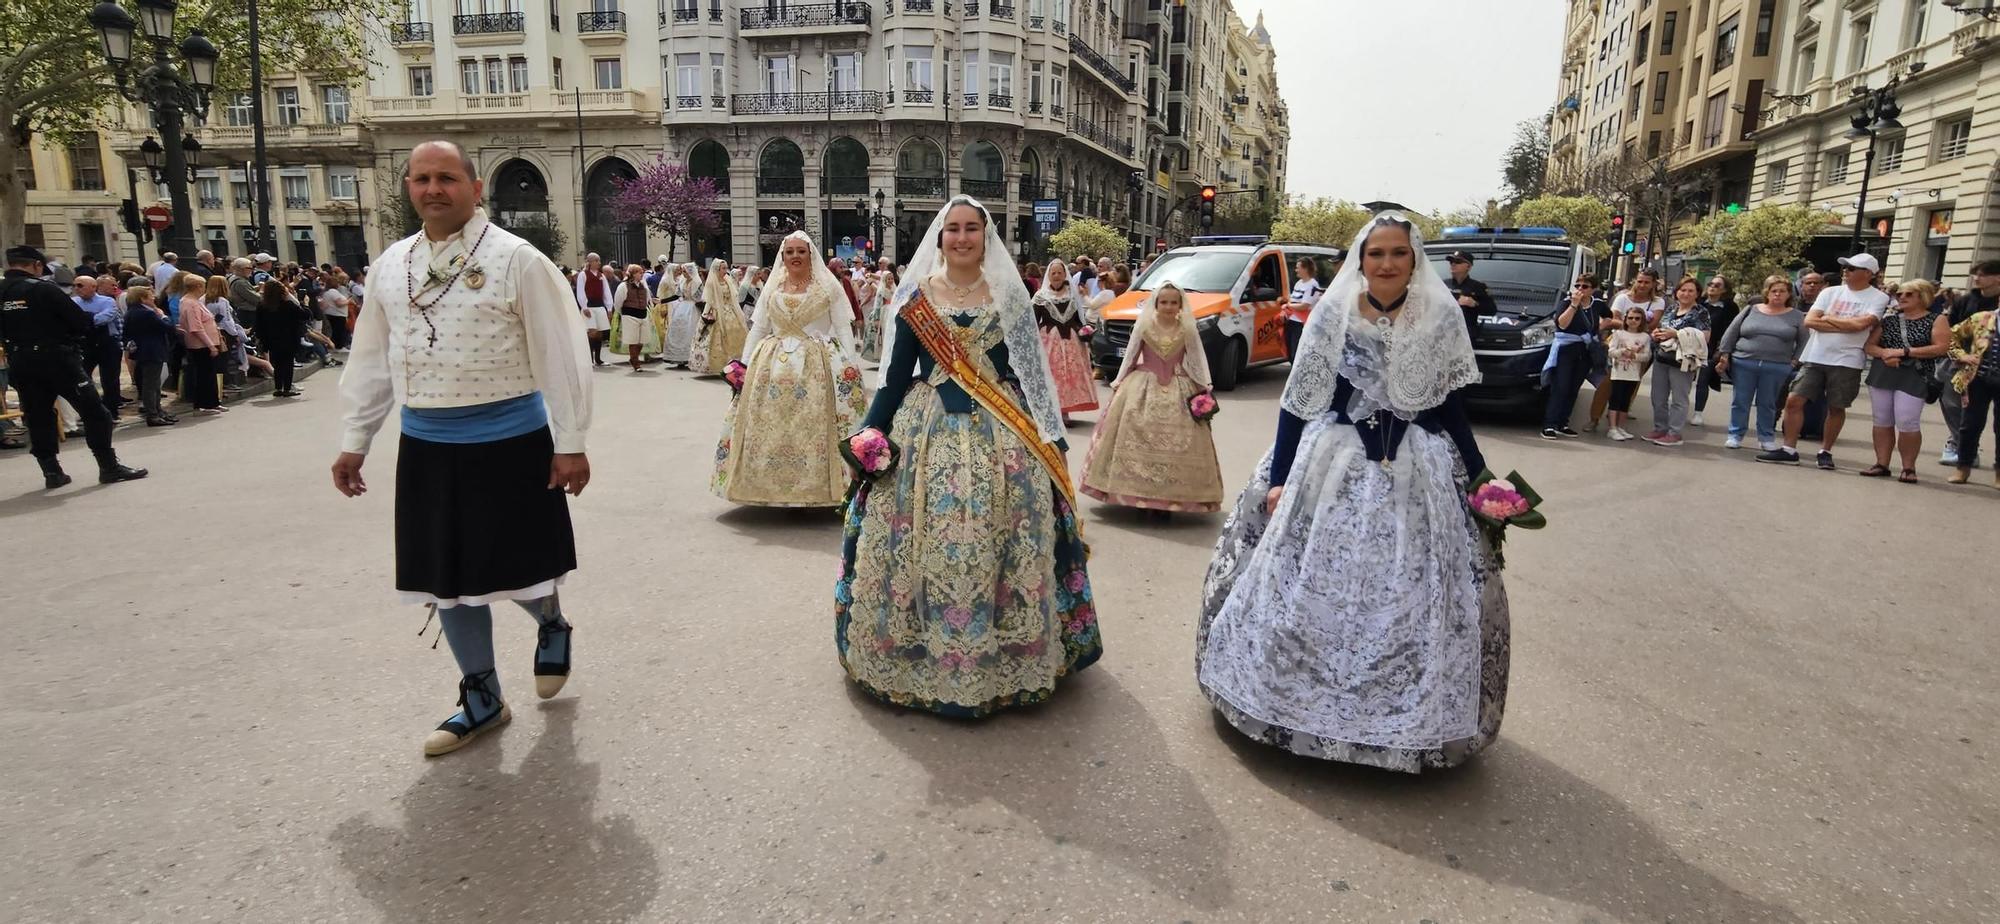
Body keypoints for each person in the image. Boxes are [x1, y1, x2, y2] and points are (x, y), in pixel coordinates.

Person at [1196, 210, 1505, 772]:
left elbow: (1451, 410)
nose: (1386, 264)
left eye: (1398, 253)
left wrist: (1481, 479)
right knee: (1310, 586)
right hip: (1333, 462)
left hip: (1418, 470)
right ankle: (1292, 708)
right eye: (1376, 254)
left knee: (1412, 596)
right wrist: (1280, 478)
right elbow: (1296, 403)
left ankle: (1406, 724)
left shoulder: (1439, 317)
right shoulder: (1332, 314)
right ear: (1360, 261)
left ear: (1415, 261)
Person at [332, 140, 591, 758]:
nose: (432, 189)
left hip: (510, 442)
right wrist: (354, 440)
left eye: (447, 177)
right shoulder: (391, 264)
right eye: (420, 178)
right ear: (409, 189)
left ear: (476, 189)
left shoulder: (517, 259)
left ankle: (551, 623)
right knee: (446, 581)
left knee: (518, 567)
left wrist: (571, 442)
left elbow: (559, 354)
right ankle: (481, 696)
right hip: (426, 446)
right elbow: (372, 358)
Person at [835, 196, 1100, 716]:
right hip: (924, 431)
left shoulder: (1011, 296)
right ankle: (915, 651)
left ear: (986, 235)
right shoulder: (914, 298)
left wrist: (1054, 441)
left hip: (1002, 433)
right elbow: (893, 380)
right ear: (940, 238)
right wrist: (868, 435)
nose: (961, 238)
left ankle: (1008, 653)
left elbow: (1032, 377)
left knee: (1004, 537)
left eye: (971, 229)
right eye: (952, 229)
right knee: (918, 540)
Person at [710, 231, 869, 506]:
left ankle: (819, 489)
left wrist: (851, 366)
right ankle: (765, 488)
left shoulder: (827, 288)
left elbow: (843, 327)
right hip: (770, 365)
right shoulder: (772, 288)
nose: (795, 256)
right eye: (790, 252)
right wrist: (744, 366)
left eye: (801, 251)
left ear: (811, 255)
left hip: (818, 365)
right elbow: (759, 327)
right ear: (782, 257)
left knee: (815, 426)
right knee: (770, 424)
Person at [0, 245, 147, 487]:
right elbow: (79, 322)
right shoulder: (44, 289)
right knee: (96, 413)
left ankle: (51, 472)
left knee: (38, 416)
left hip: (21, 361)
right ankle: (108, 466)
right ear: (36, 266)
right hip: (57, 359)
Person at [1079, 282, 1223, 512]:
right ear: (1156, 304)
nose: (1168, 306)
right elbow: (1131, 355)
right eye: (1163, 302)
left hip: (1178, 385)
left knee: (1181, 442)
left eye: (1173, 302)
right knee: (1135, 431)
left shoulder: (1187, 328)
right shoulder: (1144, 325)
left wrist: (1202, 387)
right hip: (1143, 384)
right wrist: (1119, 383)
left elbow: (1196, 360)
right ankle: (1137, 495)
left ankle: (1170, 498)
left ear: (1180, 305)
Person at [1760, 254, 1890, 468]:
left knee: (1836, 407)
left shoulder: (1878, 297)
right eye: (1845, 267)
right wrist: (1846, 323)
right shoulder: (1830, 292)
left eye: (1851, 268)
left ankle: (1825, 451)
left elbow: (1862, 325)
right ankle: (1789, 449)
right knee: (1794, 400)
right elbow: (1810, 321)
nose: (1845, 271)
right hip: (1815, 355)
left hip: (1847, 360)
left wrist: (1828, 318)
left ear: (1867, 274)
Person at [1856, 280, 1951, 482]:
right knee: (1881, 420)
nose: (1902, 297)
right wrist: (1885, 354)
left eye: (1908, 294)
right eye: (1899, 294)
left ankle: (1908, 467)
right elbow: (1869, 346)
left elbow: (1941, 347)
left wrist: (1904, 352)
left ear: (1922, 296)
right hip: (1883, 372)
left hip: (1914, 375)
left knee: (1907, 421)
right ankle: (1881, 463)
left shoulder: (1936, 319)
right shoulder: (1889, 320)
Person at [1714, 275, 1806, 451]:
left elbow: (1804, 341)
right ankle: (1735, 435)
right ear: (1767, 292)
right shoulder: (1751, 310)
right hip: (1744, 362)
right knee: (1740, 401)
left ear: (1789, 294)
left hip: (1777, 366)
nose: (1777, 294)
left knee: (1768, 403)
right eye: (1774, 291)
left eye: (1782, 291)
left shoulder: (1796, 316)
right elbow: (1731, 332)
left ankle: (1766, 437)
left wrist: (1794, 361)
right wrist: (1725, 355)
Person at [1940, 260, 1999, 467]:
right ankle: (1960, 446)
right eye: (1975, 274)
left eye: (1981, 274)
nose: (1976, 278)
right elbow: (1950, 332)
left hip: (1994, 363)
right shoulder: (1966, 301)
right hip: (1962, 361)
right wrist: (1959, 355)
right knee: (1953, 404)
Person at [1588, 269, 1663, 431]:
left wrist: (1628, 323)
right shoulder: (1622, 298)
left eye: (1647, 282)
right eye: (1640, 281)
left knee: (1631, 382)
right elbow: (1612, 319)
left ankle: (1619, 417)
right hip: (1618, 344)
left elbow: (1653, 325)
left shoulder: (1658, 302)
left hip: (1642, 346)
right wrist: (1634, 325)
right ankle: (1594, 418)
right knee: (1607, 382)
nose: (1642, 285)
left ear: (1653, 284)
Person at [1640, 277, 1710, 448]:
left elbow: (1705, 337)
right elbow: (1661, 327)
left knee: (1679, 398)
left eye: (1690, 291)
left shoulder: (1700, 312)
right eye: (1683, 290)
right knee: (1658, 396)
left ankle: (1674, 433)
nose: (1686, 294)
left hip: (1682, 361)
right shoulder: (1671, 308)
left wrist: (1676, 334)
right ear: (1677, 292)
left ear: (1697, 294)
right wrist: (1657, 334)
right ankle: (1660, 428)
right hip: (1662, 357)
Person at [1032, 260, 1099, 420]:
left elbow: (1078, 319)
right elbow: (1033, 320)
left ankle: (1064, 411)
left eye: (1059, 273)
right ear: (1048, 275)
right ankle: (1049, 410)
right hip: (1049, 341)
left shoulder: (1072, 294)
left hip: (1070, 341)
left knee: (1067, 376)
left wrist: (1084, 331)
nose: (1056, 276)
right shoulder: (1041, 296)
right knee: (1052, 375)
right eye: (1053, 273)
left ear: (1064, 275)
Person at [1539, 273, 1600, 439]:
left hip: (1585, 351)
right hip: (1566, 349)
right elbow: (1562, 324)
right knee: (1561, 386)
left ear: (1593, 289)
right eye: (1578, 286)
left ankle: (1562, 422)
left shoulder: (1597, 306)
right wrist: (1574, 305)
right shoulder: (1566, 303)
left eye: (1585, 286)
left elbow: (1608, 319)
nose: (1580, 289)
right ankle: (1549, 424)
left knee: (1573, 388)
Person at [123, 284, 177, 426]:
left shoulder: (132, 312)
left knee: (154, 383)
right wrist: (163, 316)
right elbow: (167, 327)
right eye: (150, 295)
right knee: (151, 384)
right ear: (142, 298)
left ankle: (158, 411)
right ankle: (153, 414)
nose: (154, 297)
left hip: (144, 350)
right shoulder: (146, 313)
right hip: (151, 351)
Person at [174, 271, 226, 416]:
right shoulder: (190, 303)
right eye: (203, 286)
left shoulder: (194, 301)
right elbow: (196, 327)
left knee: (209, 373)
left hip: (204, 343)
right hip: (200, 345)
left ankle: (213, 402)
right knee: (205, 374)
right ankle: (205, 404)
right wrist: (210, 345)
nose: (204, 289)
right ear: (197, 286)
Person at [72, 275, 123, 418]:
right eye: (75, 285)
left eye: (80, 285)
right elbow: (70, 319)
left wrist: (84, 319)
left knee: (110, 379)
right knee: (82, 378)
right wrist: (89, 319)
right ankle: (88, 410)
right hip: (85, 343)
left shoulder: (107, 301)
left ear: (93, 287)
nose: (77, 289)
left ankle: (111, 410)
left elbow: (106, 317)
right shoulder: (73, 302)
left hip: (107, 342)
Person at [1690, 275, 1738, 427]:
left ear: (1724, 290)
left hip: (1712, 349)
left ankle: (1698, 412)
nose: (1712, 287)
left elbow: (1730, 330)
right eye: (1710, 284)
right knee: (1683, 378)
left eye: (1717, 285)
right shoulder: (1698, 303)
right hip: (1690, 345)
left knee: (1703, 379)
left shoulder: (1729, 308)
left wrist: (1722, 350)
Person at [1602, 306, 1651, 441]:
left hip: (1634, 373)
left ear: (1642, 320)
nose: (1633, 321)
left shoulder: (1645, 337)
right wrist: (1623, 351)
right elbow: (1611, 352)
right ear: (1625, 319)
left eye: (1637, 318)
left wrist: (1635, 356)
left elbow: (1647, 356)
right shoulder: (1618, 334)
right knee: (1615, 399)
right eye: (1630, 318)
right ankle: (1612, 428)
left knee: (1625, 400)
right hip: (1618, 372)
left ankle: (1621, 427)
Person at [689, 258, 745, 375]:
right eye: (723, 268)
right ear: (717, 269)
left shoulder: (727, 280)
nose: (726, 270)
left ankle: (734, 362)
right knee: (716, 338)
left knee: (735, 334)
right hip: (716, 312)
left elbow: (733, 298)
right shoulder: (711, 283)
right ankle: (718, 364)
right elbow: (709, 301)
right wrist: (705, 315)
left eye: (726, 268)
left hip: (730, 311)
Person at [257, 278, 309, 397]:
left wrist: (262, 339)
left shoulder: (262, 306)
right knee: (288, 363)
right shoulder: (287, 305)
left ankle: (278, 387)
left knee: (277, 363)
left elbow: (258, 324)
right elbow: (305, 315)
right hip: (289, 338)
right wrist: (304, 303)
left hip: (271, 338)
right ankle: (287, 388)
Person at [574, 252, 613, 366]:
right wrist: (584, 306)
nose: (598, 263)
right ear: (590, 262)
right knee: (592, 333)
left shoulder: (601, 276)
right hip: (589, 306)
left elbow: (606, 292)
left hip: (600, 306)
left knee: (600, 333)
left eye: (599, 261)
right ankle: (589, 359)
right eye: (596, 261)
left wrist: (609, 308)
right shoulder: (583, 274)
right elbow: (580, 290)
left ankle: (598, 359)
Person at [658, 263, 700, 368]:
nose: (682, 273)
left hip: (693, 308)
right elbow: (677, 296)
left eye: (684, 271)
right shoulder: (682, 281)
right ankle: (678, 358)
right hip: (682, 308)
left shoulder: (697, 282)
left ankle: (690, 357)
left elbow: (700, 298)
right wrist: (662, 301)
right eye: (682, 271)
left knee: (691, 331)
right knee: (678, 331)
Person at [1284, 255, 1326, 360]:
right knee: (1289, 352)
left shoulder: (1312, 285)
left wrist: (1289, 306)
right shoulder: (1299, 283)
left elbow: (1304, 306)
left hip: (1302, 323)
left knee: (1296, 353)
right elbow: (1293, 299)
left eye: (1298, 267)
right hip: (1292, 321)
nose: (1296, 270)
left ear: (1305, 268)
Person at [319, 269, 353, 352]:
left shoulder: (326, 292)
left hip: (332, 314)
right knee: (339, 332)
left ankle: (337, 346)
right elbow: (339, 303)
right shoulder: (333, 292)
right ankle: (339, 347)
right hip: (337, 315)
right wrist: (348, 301)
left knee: (336, 331)